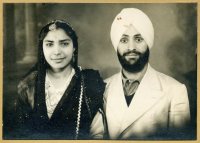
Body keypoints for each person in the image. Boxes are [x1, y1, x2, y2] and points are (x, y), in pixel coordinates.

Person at [102, 8, 191, 139]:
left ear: (148, 43)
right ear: (116, 45)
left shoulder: (175, 90)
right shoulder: (102, 87)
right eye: (124, 40)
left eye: (138, 39)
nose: (131, 47)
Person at [15, 20, 105, 139]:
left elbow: (98, 134)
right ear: (42, 49)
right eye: (49, 44)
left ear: (74, 47)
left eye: (64, 43)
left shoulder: (90, 81)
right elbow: (20, 134)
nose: (57, 52)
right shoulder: (28, 85)